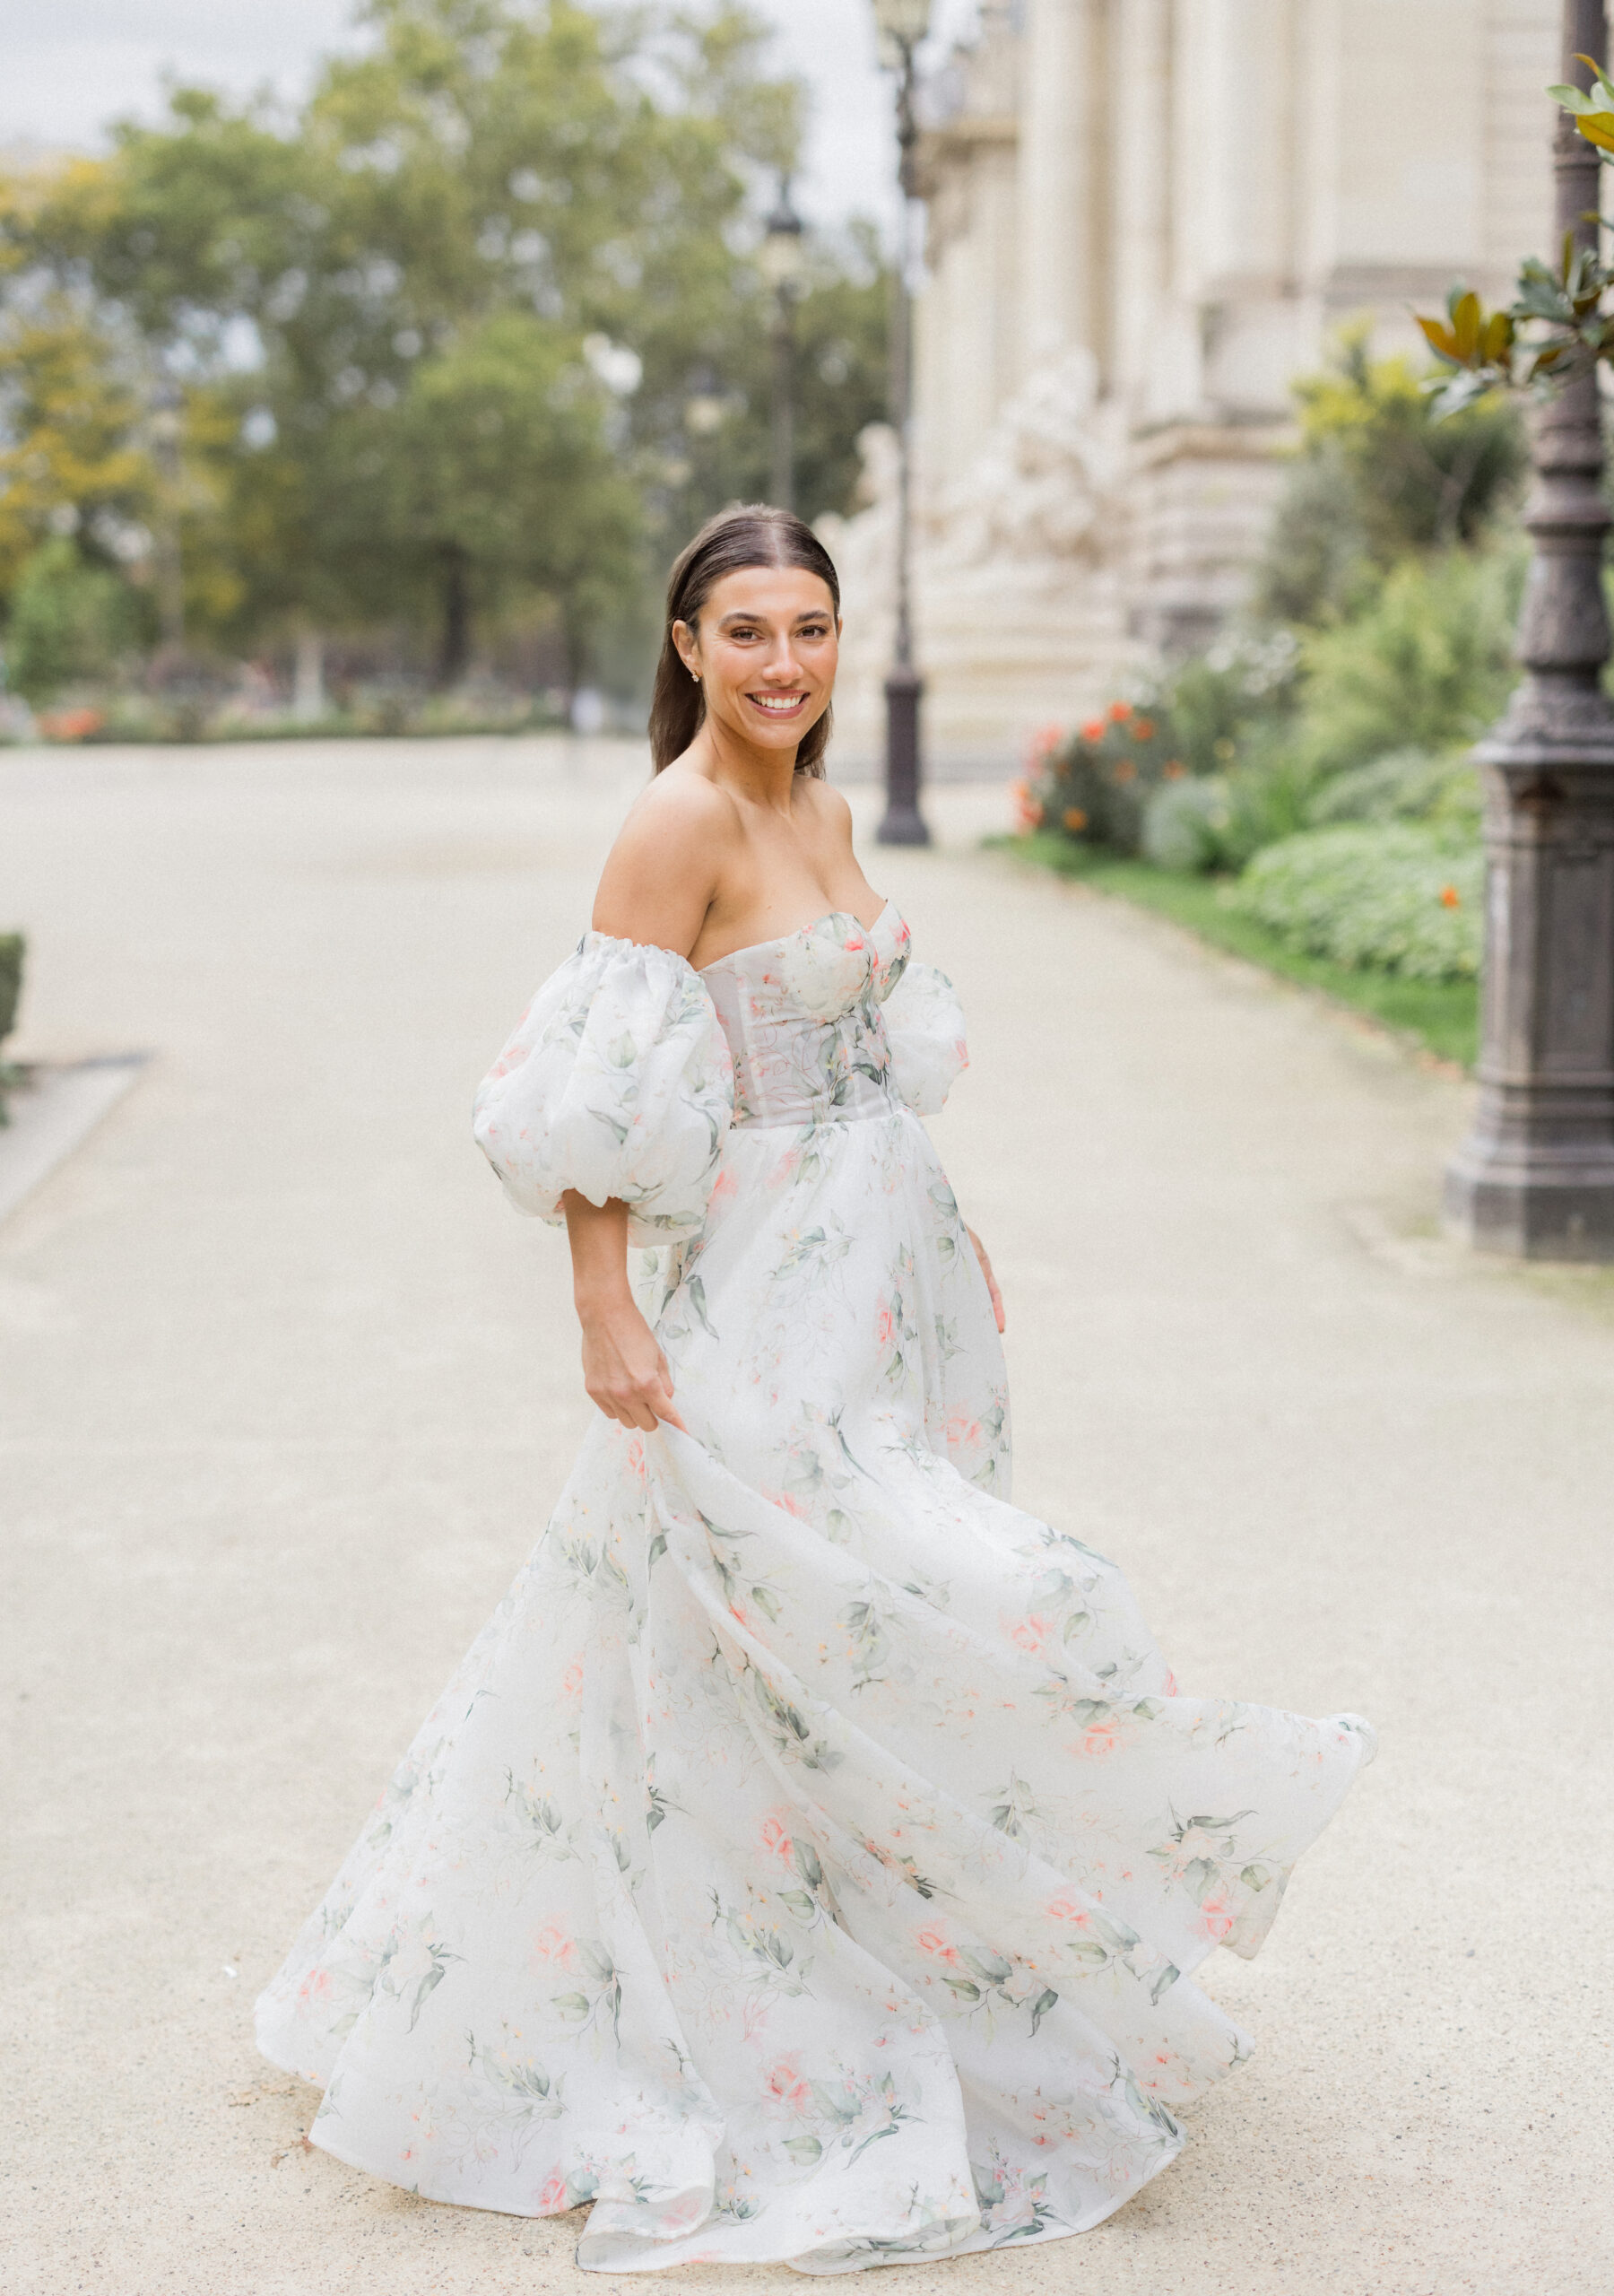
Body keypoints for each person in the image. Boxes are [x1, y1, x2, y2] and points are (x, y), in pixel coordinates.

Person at [256, 506, 1372, 2274]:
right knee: (866, 1599)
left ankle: (892, 1937)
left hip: (892, 1287)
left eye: (813, 628)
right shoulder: (676, 822)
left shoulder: (827, 811)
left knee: (852, 1631)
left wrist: (956, 1245)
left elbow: (863, 1063)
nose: (785, 662)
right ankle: (718, 2009)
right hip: (765, 1287)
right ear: (688, 645)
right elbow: (595, 1090)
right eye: (748, 630)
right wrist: (604, 1307)